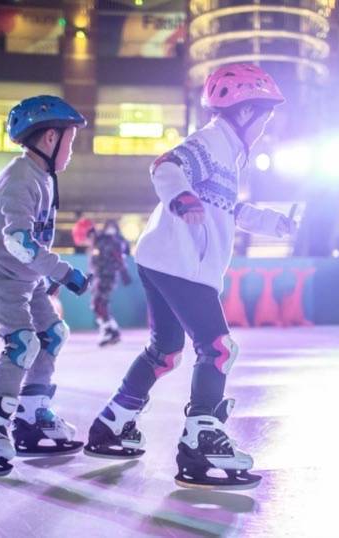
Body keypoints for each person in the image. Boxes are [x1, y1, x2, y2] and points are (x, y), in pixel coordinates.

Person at [83, 64, 298, 490]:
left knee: (165, 352)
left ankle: (114, 422)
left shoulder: (228, 155)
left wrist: (271, 224)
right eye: (264, 116)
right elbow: (166, 166)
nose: (267, 127)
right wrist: (180, 197)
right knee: (218, 349)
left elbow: (225, 209)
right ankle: (201, 441)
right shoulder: (210, 142)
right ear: (243, 112)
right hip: (183, 263)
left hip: (162, 259)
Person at [0, 96, 92, 476]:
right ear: (50, 138)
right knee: (21, 342)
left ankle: (31, 416)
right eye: (71, 140)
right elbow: (20, 241)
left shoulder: (41, 176)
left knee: (52, 334)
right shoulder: (20, 179)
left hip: (25, 276)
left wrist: (45, 274)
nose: (71, 149)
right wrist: (64, 273)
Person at [90, 219, 132, 346]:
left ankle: (110, 331)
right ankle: (110, 330)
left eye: (112, 226)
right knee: (98, 303)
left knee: (100, 302)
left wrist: (124, 272)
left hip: (108, 275)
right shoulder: (101, 239)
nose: (110, 229)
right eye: (109, 226)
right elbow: (94, 258)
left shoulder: (117, 241)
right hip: (100, 274)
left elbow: (120, 256)